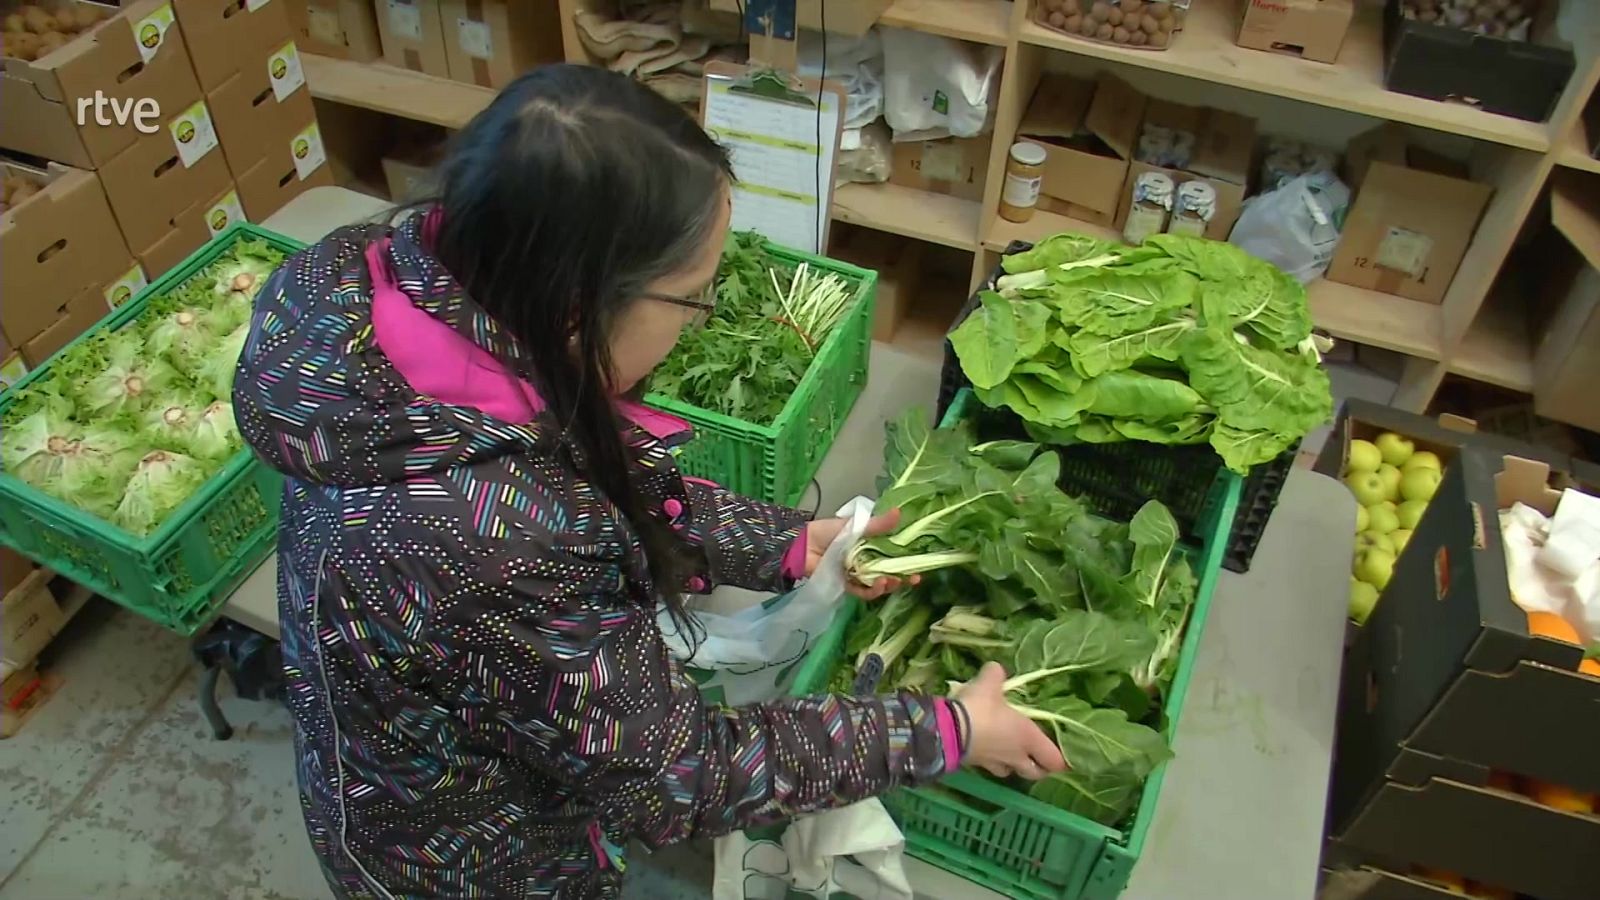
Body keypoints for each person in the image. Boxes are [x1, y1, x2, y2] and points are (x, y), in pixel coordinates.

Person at [233, 64, 1063, 900]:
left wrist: (782, 544)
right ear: (578, 307)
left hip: (415, 769)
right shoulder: (494, 542)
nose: (693, 326)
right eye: (692, 299)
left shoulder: (417, 294)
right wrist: (942, 730)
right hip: (473, 861)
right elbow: (680, 775)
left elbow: (586, 485)